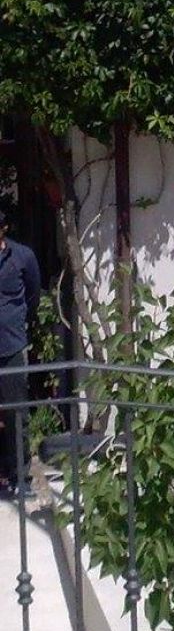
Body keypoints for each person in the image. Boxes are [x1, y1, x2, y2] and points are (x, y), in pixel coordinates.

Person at [0, 209, 41, 495]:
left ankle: (20, 478)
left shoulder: (22, 256)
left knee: (16, 414)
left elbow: (33, 295)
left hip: (11, 345)